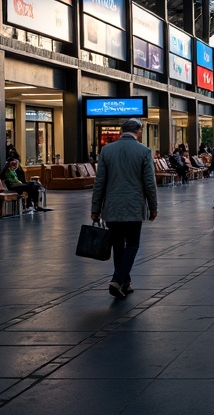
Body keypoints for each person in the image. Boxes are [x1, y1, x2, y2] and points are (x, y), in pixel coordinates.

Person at [90, 117, 158, 299]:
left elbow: (100, 182)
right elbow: (149, 183)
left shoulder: (107, 150)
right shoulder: (144, 151)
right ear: (139, 131)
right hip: (134, 206)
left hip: (111, 207)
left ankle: (124, 283)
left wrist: (95, 208)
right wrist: (153, 206)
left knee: (118, 245)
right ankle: (118, 278)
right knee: (133, 244)